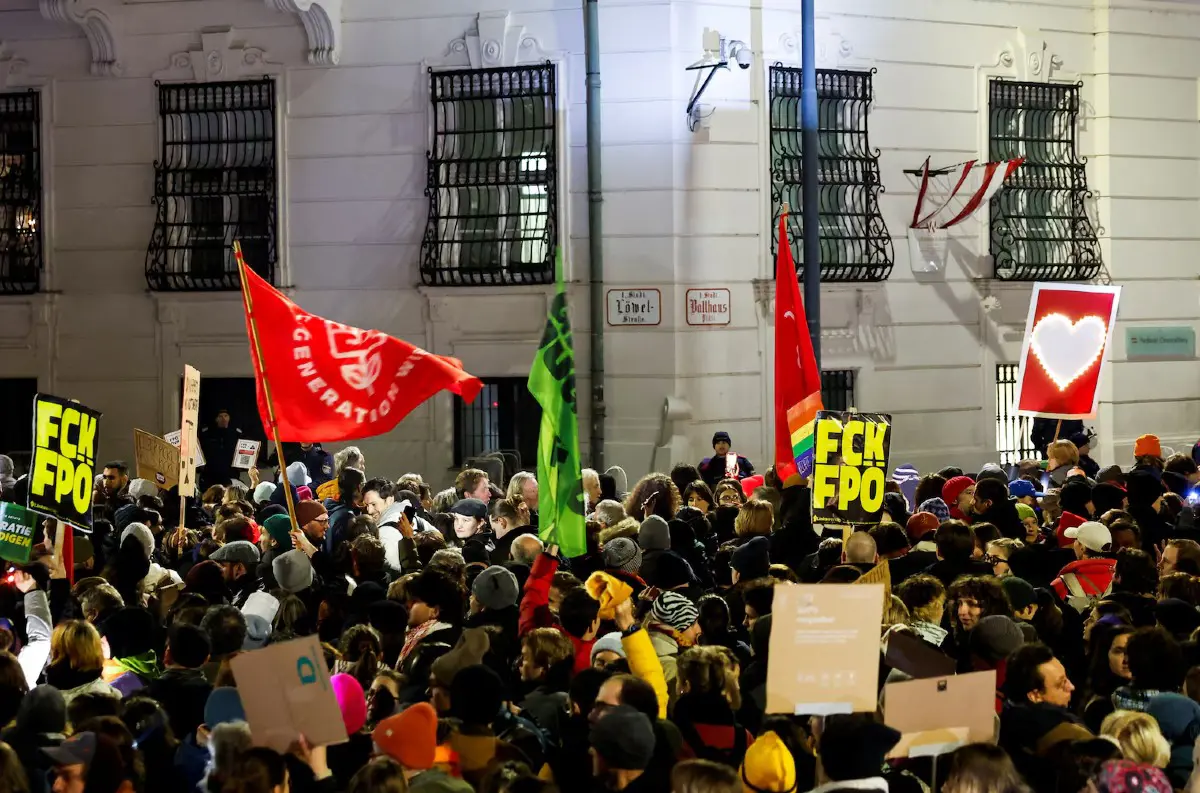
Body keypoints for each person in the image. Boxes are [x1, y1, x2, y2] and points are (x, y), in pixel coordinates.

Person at [197, 409, 243, 490]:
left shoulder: (236, 434)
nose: (223, 419)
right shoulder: (207, 434)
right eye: (220, 416)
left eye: (226, 416)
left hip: (230, 474)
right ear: (216, 419)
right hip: (210, 475)